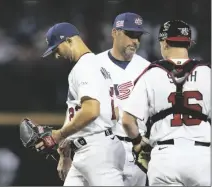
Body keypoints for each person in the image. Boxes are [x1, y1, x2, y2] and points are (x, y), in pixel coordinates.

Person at [122, 20, 211, 186]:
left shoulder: (152, 74)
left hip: (165, 158)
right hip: (203, 158)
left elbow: (127, 120)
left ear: (164, 42)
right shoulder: (207, 73)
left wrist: (138, 143)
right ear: (188, 43)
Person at [40, 22, 125, 186]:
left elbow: (91, 111)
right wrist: (65, 153)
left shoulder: (85, 67)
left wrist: (59, 134)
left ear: (69, 40)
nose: (57, 56)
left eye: (56, 49)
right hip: (87, 149)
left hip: (98, 150)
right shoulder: (98, 65)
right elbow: (76, 111)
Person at [96, 12, 150, 186]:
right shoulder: (94, 65)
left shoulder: (147, 68)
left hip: (139, 149)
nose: (135, 41)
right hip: (107, 147)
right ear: (114, 33)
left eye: (138, 36)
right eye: (130, 34)